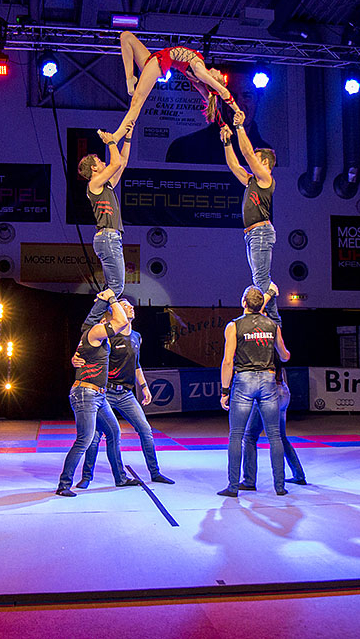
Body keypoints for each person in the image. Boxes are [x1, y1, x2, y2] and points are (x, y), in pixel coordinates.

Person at [74, 298, 175, 487]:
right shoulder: (109, 336)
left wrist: (144, 387)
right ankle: (86, 477)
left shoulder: (137, 336)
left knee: (145, 430)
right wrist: (75, 358)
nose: (131, 307)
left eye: (130, 305)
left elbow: (136, 364)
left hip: (126, 394)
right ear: (116, 312)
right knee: (95, 436)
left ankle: (155, 473)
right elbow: (88, 350)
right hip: (106, 392)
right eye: (125, 306)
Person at [56, 290, 139, 496]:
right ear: (103, 321)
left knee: (114, 432)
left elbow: (119, 324)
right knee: (84, 439)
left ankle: (120, 478)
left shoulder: (95, 334)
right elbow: (119, 321)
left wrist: (105, 300)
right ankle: (64, 485)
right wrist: (111, 298)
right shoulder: (94, 332)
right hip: (86, 393)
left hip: (98, 395)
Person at [218, 286, 291, 497]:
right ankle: (280, 487)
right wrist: (285, 353)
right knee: (274, 436)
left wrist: (224, 391)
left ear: (244, 303)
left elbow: (228, 361)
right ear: (261, 305)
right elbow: (284, 355)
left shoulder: (234, 326)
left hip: (244, 381)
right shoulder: (272, 325)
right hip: (268, 380)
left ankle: (233, 487)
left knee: (236, 435)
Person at [108, 31, 241, 142]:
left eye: (219, 76)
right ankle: (130, 79)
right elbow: (212, 105)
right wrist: (223, 125)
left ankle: (117, 136)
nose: (219, 72)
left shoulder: (200, 71)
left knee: (136, 102)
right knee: (126, 36)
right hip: (157, 58)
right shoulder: (200, 81)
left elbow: (222, 91)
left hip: (160, 62)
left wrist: (237, 110)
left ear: (214, 80)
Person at [220, 117, 281, 325]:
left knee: (261, 279)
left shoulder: (266, 179)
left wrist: (239, 127)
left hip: (261, 233)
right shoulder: (252, 181)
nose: (252, 160)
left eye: (256, 158)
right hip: (253, 234)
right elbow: (234, 166)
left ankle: (269, 319)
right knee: (260, 278)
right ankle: (273, 320)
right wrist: (227, 142)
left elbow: (246, 153)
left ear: (264, 163)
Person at [76, 124, 133, 328]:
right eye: (100, 161)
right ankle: (90, 323)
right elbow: (115, 163)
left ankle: (93, 322)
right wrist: (110, 142)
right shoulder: (94, 184)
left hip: (109, 238)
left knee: (112, 288)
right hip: (108, 238)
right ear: (93, 168)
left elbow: (121, 163)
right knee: (116, 288)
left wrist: (127, 139)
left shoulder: (105, 185)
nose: (103, 162)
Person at [166, 70, 274, 165]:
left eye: (246, 96)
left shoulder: (265, 153)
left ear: (258, 98)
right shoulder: (184, 146)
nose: (239, 103)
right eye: (233, 96)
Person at [240, 357, 306, 489]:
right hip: (282, 390)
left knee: (250, 436)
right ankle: (298, 475)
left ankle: (249, 481)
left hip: (269, 393)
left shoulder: (262, 354)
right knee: (280, 437)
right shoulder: (276, 351)